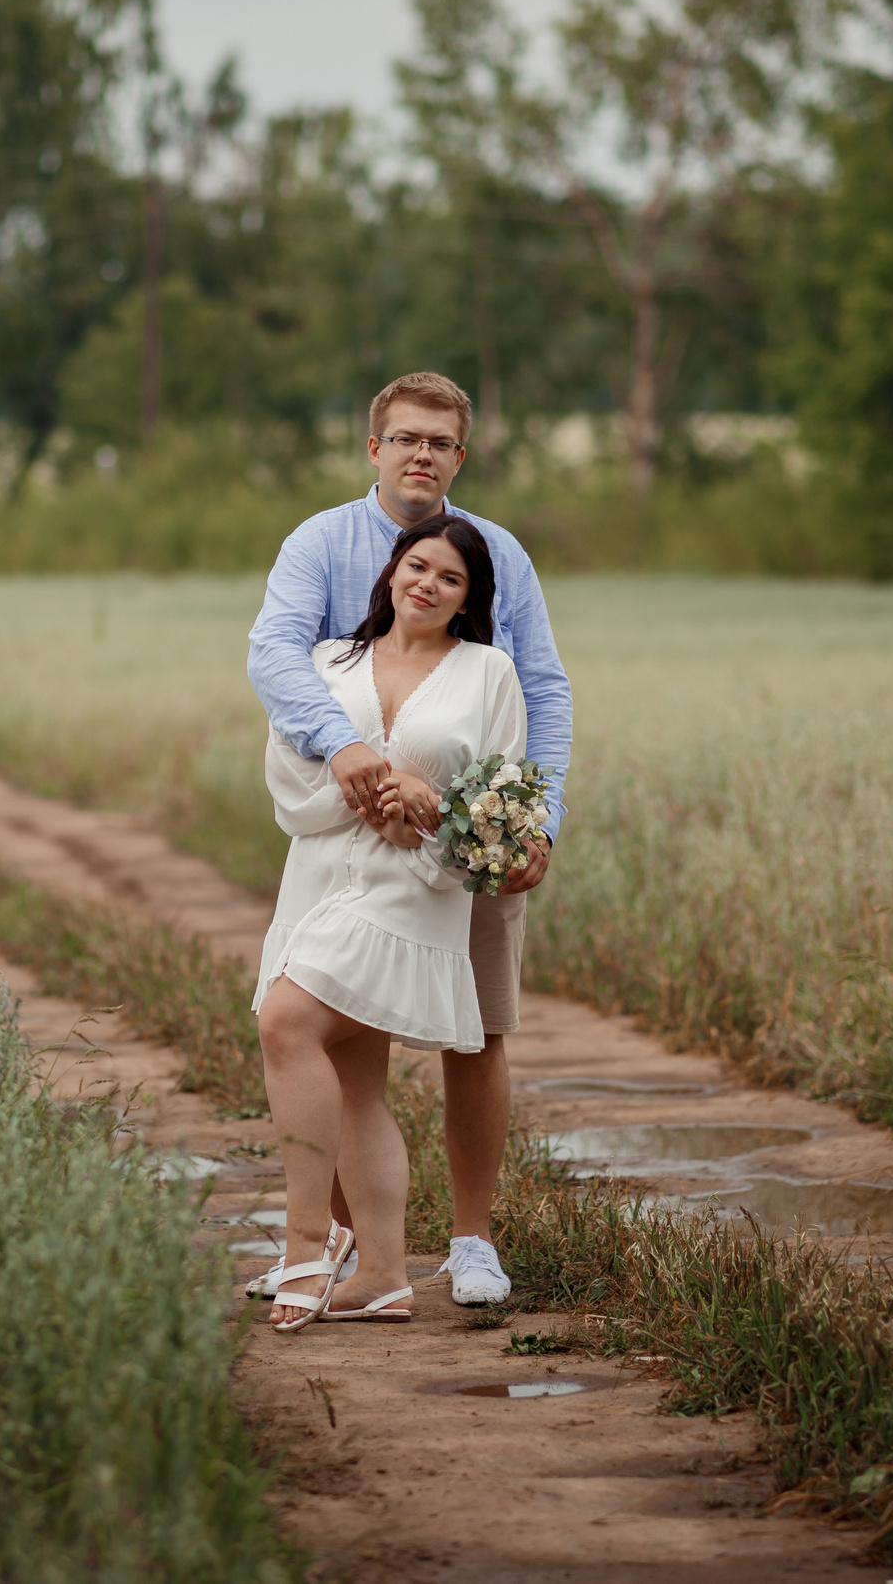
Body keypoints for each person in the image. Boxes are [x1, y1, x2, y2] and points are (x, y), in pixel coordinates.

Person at [246, 370, 573, 1309]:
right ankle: (348, 1247)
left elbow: (540, 689)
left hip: (461, 833)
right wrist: (344, 748)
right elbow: (276, 654)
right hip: (345, 837)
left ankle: (471, 1241)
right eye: (406, 438)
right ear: (375, 447)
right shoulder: (320, 542)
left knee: (480, 1031)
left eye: (439, 441)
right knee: (343, 1046)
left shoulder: (498, 552)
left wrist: (536, 823)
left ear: (459, 457)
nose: (421, 453)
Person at [255, 513, 527, 1330]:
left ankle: (308, 1245)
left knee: (285, 1020)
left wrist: (427, 806)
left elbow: (499, 807)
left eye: (450, 577)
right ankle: (380, 1274)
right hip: (319, 878)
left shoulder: (489, 673)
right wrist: (376, 793)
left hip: (414, 887)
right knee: (356, 1081)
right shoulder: (329, 661)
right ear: (391, 571)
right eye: (417, 566)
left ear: (468, 598)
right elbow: (288, 773)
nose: (428, 584)